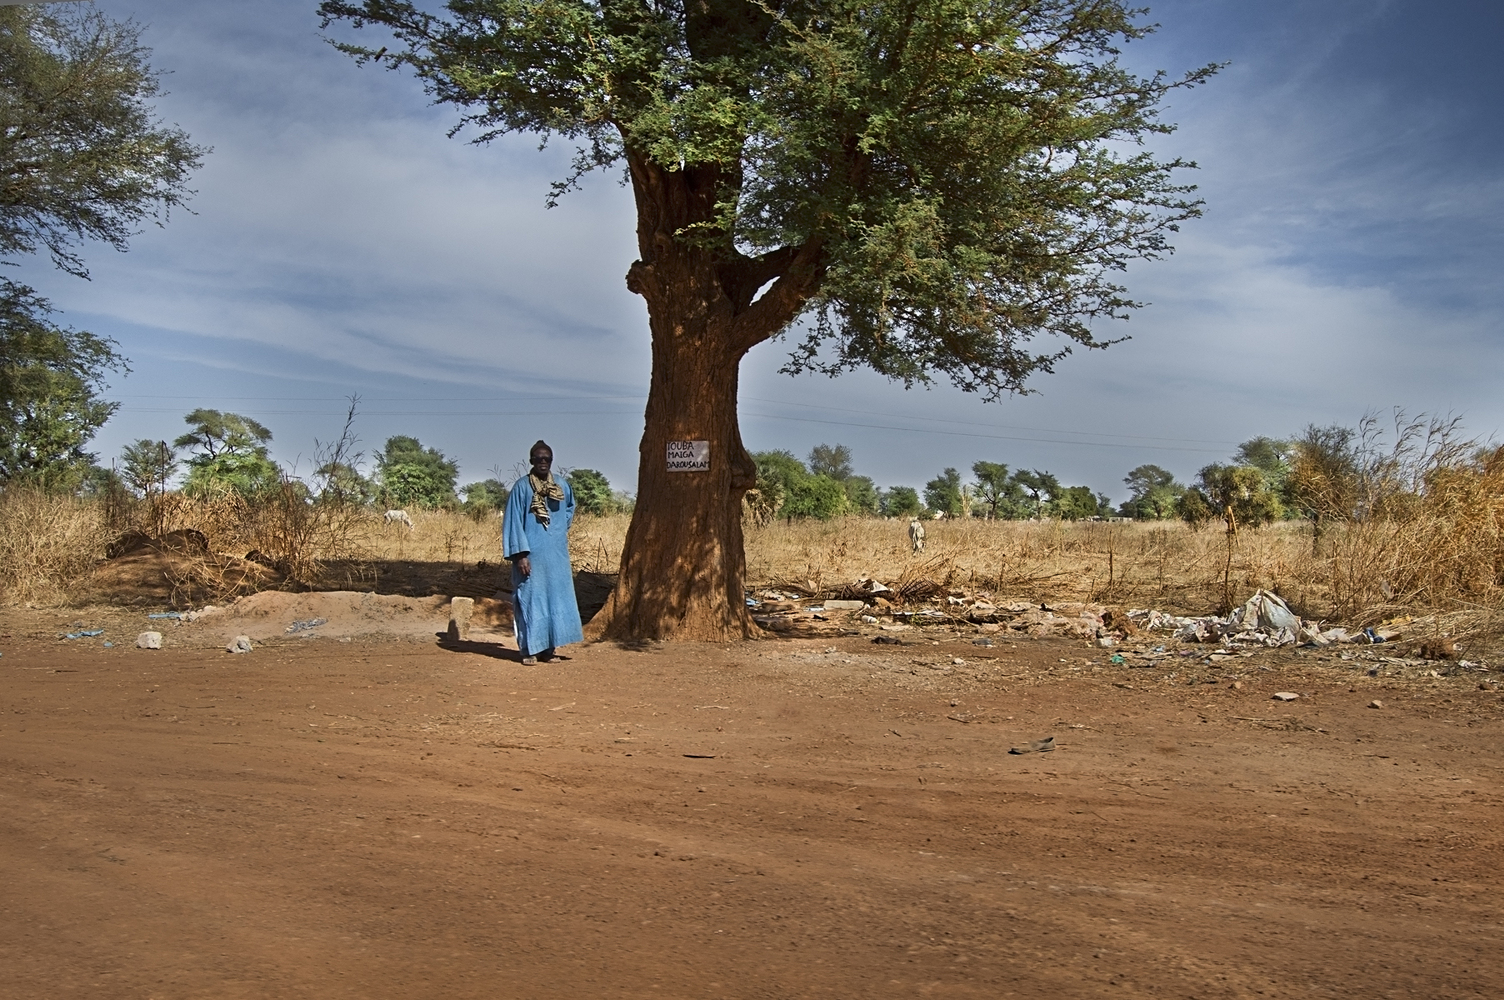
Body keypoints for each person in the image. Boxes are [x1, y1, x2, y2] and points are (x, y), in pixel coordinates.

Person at [502, 440, 584, 664]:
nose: (543, 462)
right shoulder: (521, 487)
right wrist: (520, 555)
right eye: (538, 458)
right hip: (530, 558)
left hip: (556, 556)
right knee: (530, 600)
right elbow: (513, 523)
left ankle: (548, 650)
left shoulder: (562, 485)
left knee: (555, 600)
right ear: (531, 461)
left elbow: (569, 508)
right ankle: (529, 650)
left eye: (547, 458)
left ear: (552, 460)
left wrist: (557, 530)